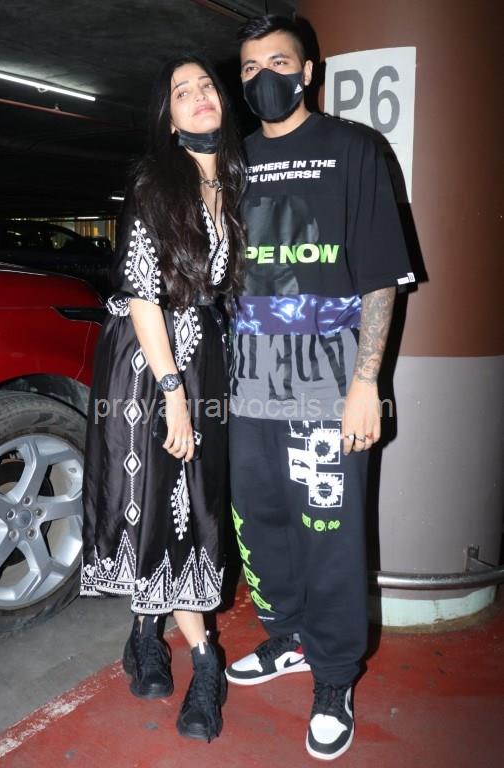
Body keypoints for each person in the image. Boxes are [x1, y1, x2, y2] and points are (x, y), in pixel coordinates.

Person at [225, 15, 415, 761]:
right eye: (250, 68)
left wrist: (366, 382)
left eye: (278, 62)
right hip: (246, 385)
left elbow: (380, 276)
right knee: (263, 523)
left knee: (330, 534)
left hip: (326, 386)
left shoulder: (353, 149)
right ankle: (288, 639)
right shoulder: (233, 160)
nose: (263, 77)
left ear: (307, 73)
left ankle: (334, 677)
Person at [80, 55, 246, 743]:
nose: (200, 95)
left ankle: (145, 630)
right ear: (169, 120)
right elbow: (143, 293)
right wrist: (173, 391)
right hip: (150, 362)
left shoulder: (231, 181)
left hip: (201, 359)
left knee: (189, 499)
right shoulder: (156, 181)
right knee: (159, 499)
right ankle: (205, 662)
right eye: (183, 92)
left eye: (207, 85)